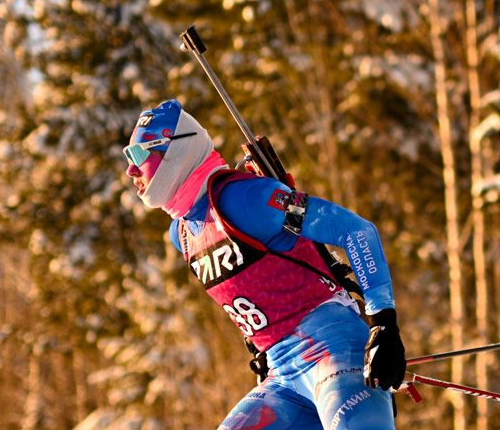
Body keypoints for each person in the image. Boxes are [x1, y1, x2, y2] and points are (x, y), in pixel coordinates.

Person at [123, 99, 406, 430]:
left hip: (336, 350)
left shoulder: (246, 198)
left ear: (174, 151)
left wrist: (383, 325)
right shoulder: (183, 233)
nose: (131, 169)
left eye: (140, 156)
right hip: (283, 375)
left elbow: (354, 230)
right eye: (129, 159)